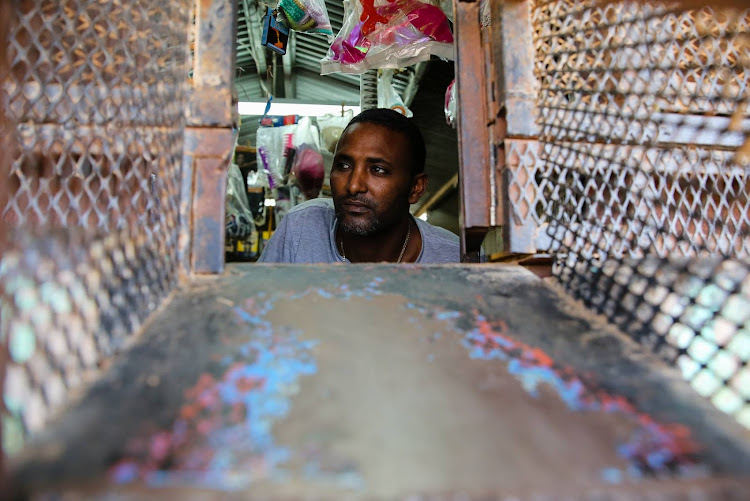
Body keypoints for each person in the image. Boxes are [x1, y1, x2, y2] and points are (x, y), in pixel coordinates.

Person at [258, 108, 460, 263]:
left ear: (416, 188)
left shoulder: (453, 260)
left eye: (378, 170)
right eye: (344, 165)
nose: (353, 186)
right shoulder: (301, 229)